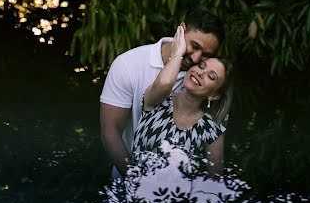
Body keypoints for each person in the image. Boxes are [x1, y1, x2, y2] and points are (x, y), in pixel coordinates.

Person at [99, 10, 223, 177]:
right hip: (128, 177)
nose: (195, 58)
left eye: (206, 55)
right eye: (194, 46)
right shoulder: (128, 64)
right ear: (181, 31)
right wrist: (134, 180)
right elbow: (110, 132)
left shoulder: (198, 79)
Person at [133, 24, 232, 176]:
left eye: (211, 76)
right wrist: (178, 52)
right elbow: (165, 83)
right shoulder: (158, 100)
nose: (200, 73)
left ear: (214, 95)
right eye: (201, 66)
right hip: (137, 193)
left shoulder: (211, 128)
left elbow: (214, 181)